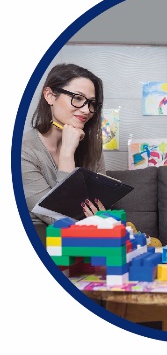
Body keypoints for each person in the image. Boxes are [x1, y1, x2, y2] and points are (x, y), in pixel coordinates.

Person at [22, 63, 106, 246]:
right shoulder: (23, 151)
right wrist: (67, 154)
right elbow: (62, 219)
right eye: (77, 98)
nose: (86, 110)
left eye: (91, 103)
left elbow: (101, 209)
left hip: (90, 243)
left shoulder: (92, 148)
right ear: (50, 96)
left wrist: (98, 214)